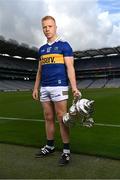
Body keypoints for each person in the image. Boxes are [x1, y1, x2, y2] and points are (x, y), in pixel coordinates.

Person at [32, 15, 81, 166]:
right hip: (45, 87)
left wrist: (74, 88)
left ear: (55, 27)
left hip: (59, 86)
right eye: (44, 27)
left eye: (49, 26)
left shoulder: (64, 45)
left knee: (62, 118)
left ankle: (66, 151)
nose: (47, 29)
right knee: (48, 117)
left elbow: (70, 68)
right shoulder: (42, 49)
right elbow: (39, 71)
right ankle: (50, 146)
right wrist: (36, 88)